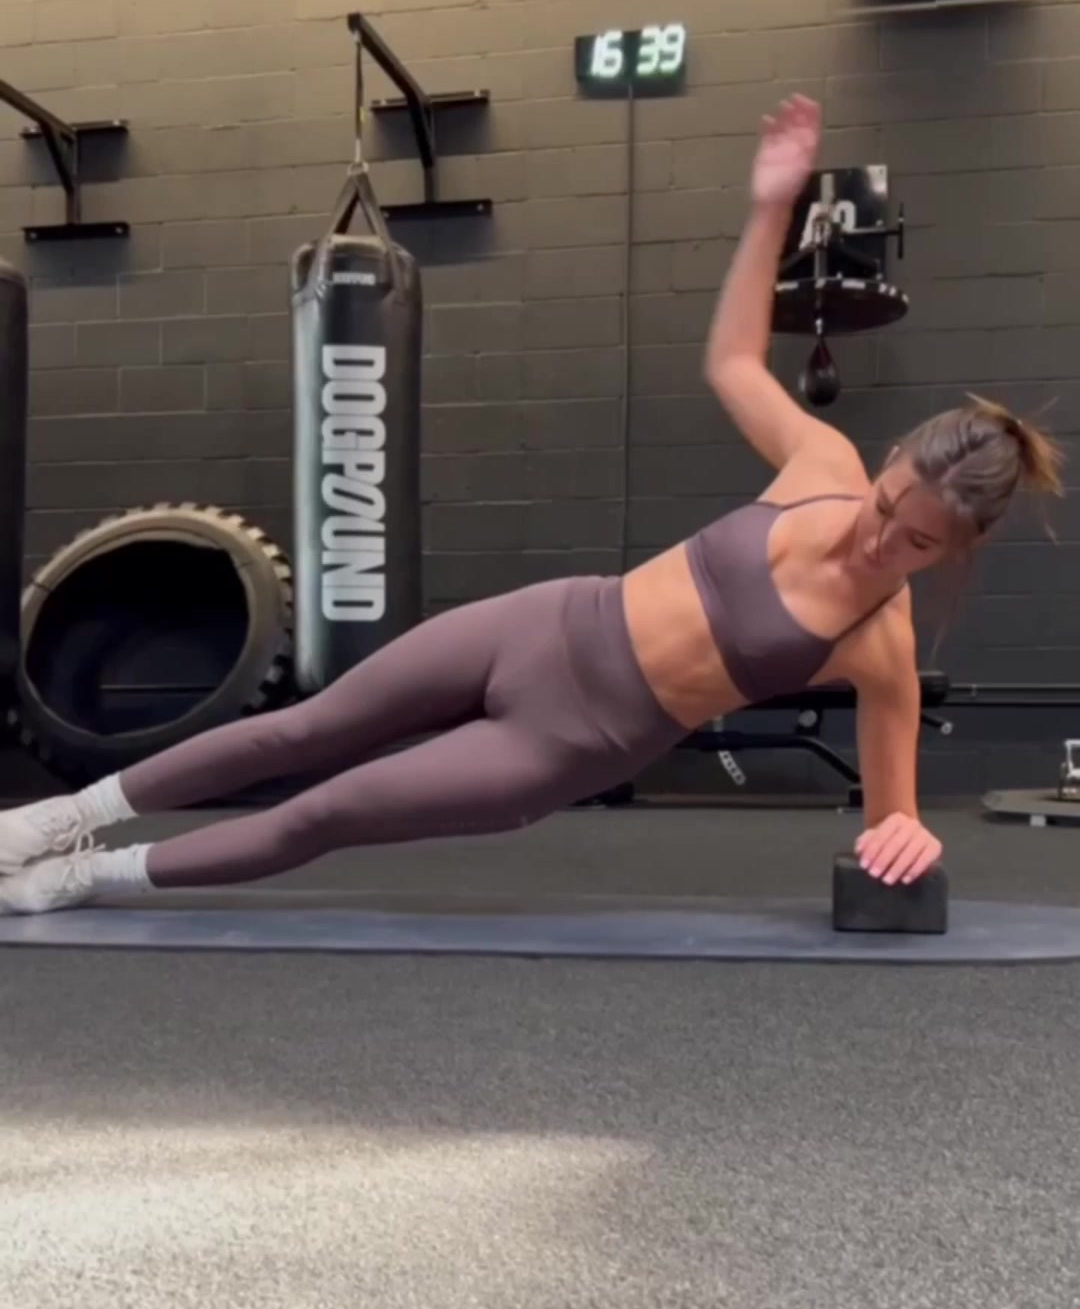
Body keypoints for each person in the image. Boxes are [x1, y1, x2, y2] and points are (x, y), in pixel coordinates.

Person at [0, 95, 1064, 916]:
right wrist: (768, 208)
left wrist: (910, 834)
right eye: (887, 506)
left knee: (326, 811)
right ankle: (56, 822)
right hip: (551, 622)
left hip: (573, 740)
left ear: (950, 552)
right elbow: (735, 360)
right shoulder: (821, 462)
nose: (880, 539)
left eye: (914, 543)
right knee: (303, 728)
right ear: (886, 461)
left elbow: (892, 820)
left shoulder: (881, 648)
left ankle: (87, 879)